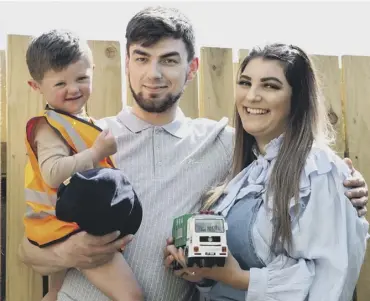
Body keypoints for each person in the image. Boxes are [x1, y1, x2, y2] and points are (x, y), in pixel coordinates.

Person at [18, 6, 369, 301]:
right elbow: (28, 247)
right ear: (126, 63)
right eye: (142, 58)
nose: (153, 74)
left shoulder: (225, 145)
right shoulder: (86, 143)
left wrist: (348, 183)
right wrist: (66, 253)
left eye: (169, 60)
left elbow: (290, 165)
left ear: (193, 68)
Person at [164, 43, 369, 301]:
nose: (251, 96)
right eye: (245, 83)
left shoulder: (319, 171)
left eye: (270, 85)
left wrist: (237, 277)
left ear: (297, 99)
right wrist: (202, 273)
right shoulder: (244, 175)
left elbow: (331, 279)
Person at [23, 30, 143, 301]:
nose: (74, 89)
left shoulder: (78, 122)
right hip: (66, 227)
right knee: (132, 295)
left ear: (93, 72)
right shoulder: (49, 128)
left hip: (62, 223)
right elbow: (52, 174)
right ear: (36, 86)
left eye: (81, 78)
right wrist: (96, 152)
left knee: (55, 293)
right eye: (60, 83)